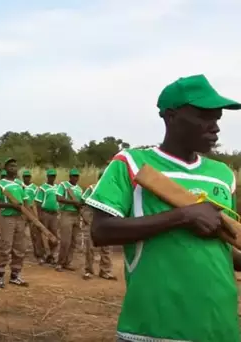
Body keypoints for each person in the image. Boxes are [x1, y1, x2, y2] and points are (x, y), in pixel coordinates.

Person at [88, 74, 241, 342]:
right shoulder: (131, 164)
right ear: (171, 117)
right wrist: (183, 215)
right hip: (154, 328)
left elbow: (221, 247)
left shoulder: (223, 175)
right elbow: (101, 232)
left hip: (221, 326)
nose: (215, 127)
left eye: (217, 118)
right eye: (204, 116)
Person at [0, 158, 29, 288]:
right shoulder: (0, 185)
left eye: (15, 166)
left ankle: (15, 276)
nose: (14, 168)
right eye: (11, 166)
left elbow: (25, 201)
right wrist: (10, 205)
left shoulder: (20, 183)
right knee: (5, 246)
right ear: (5, 169)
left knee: (20, 248)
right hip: (8, 219)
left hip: (20, 218)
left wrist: (28, 215)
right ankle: (0, 276)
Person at [80, 171, 116, 280]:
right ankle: (88, 271)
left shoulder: (112, 189)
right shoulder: (92, 188)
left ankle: (105, 271)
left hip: (106, 220)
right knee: (90, 247)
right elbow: (83, 202)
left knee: (107, 248)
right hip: (93, 219)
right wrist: (87, 218)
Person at [55, 168, 83, 272]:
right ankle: (59, 263)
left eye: (77, 176)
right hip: (66, 214)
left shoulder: (79, 189)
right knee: (65, 241)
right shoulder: (63, 185)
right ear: (70, 177)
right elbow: (59, 198)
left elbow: (80, 203)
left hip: (76, 215)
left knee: (74, 241)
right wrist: (73, 203)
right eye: (73, 176)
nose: (75, 178)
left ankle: (68, 262)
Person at [34, 169, 60, 265]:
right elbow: (38, 203)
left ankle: (52, 255)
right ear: (47, 177)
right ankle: (41, 256)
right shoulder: (43, 188)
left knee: (53, 234)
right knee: (42, 235)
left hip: (54, 214)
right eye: (50, 176)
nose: (52, 178)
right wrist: (39, 215)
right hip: (45, 213)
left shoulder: (57, 187)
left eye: (53, 176)